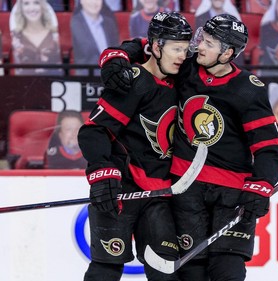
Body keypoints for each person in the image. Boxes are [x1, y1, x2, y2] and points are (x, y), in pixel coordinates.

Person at [99, 13, 278, 281]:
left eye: (209, 43)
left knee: (227, 269)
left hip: (232, 193)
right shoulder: (186, 67)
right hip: (187, 188)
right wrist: (116, 57)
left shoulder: (247, 89)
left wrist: (262, 184)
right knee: (191, 271)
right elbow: (147, 44)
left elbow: (269, 147)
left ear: (227, 53)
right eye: (202, 39)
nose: (199, 47)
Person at [78, 12, 193, 281]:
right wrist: (102, 171)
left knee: (166, 271)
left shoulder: (182, 77)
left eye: (185, 50)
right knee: (106, 269)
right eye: (176, 49)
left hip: (159, 196)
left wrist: (118, 52)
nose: (181, 56)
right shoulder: (134, 80)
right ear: (156, 47)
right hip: (122, 191)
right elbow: (94, 131)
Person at [10, 0, 63, 76]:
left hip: (54, 82)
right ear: (21, 8)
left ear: (42, 6)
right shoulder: (16, 36)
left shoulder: (54, 34)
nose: (32, 8)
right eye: (26, 3)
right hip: (24, 82)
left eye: (36, 3)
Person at [71, 0, 119, 76]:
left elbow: (116, 50)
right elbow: (87, 53)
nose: (94, 2)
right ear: (81, 1)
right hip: (88, 76)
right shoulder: (74, 23)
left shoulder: (110, 22)